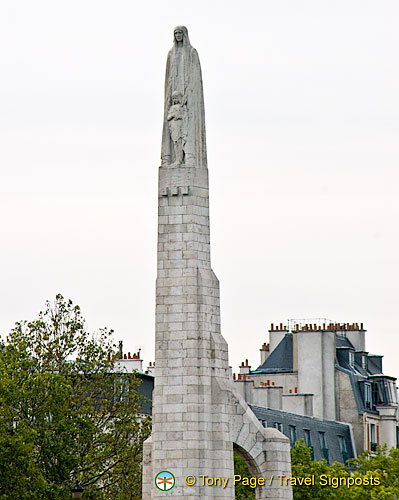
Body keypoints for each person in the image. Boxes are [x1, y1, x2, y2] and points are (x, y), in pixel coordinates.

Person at [161, 26, 207, 168]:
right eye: (176, 33)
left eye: (180, 33)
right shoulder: (171, 54)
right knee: (174, 133)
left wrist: (188, 94)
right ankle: (174, 159)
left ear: (185, 35)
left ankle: (189, 158)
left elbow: (194, 76)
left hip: (188, 98)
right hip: (175, 97)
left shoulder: (191, 53)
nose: (178, 36)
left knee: (187, 129)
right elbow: (168, 77)